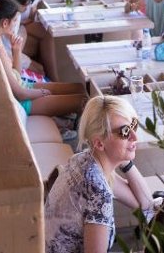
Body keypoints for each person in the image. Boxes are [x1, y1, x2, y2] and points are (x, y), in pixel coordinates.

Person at [45, 95, 156, 253]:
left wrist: (125, 160)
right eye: (125, 131)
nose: (135, 137)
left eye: (133, 125)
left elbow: (145, 205)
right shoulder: (97, 191)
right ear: (99, 143)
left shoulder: (85, 160)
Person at [0, 0, 85, 118]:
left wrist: (16, 51)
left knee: (79, 87)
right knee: (82, 101)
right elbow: (20, 94)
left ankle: (69, 121)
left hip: (24, 87)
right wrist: (43, 92)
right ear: (5, 23)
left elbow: (17, 75)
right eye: (15, 21)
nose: (16, 24)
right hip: (23, 102)